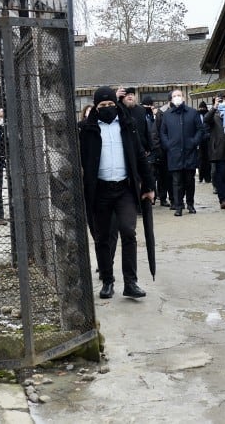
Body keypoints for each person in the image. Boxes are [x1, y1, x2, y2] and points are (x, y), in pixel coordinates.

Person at [79, 86, 155, 299]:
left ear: (116, 104)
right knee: (103, 237)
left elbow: (139, 156)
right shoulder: (88, 129)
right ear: (96, 107)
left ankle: (130, 282)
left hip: (124, 189)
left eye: (111, 104)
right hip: (100, 190)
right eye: (102, 105)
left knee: (128, 232)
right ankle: (107, 281)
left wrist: (149, 187)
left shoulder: (127, 125)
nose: (107, 108)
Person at [160, 89, 204, 216]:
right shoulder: (167, 115)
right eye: (174, 96)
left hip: (189, 153)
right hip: (174, 153)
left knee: (189, 181)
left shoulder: (193, 113)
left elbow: (200, 130)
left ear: (183, 97)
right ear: (171, 99)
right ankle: (178, 206)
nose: (177, 97)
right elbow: (163, 132)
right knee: (176, 182)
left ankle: (190, 204)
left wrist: (194, 142)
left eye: (179, 95)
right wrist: (168, 145)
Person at [196, 101, 213, 185]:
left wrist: (208, 135)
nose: (202, 109)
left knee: (208, 160)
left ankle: (208, 178)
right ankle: (201, 177)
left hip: (208, 140)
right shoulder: (196, 115)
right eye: (200, 108)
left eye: (203, 108)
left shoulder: (208, 116)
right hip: (199, 141)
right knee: (200, 160)